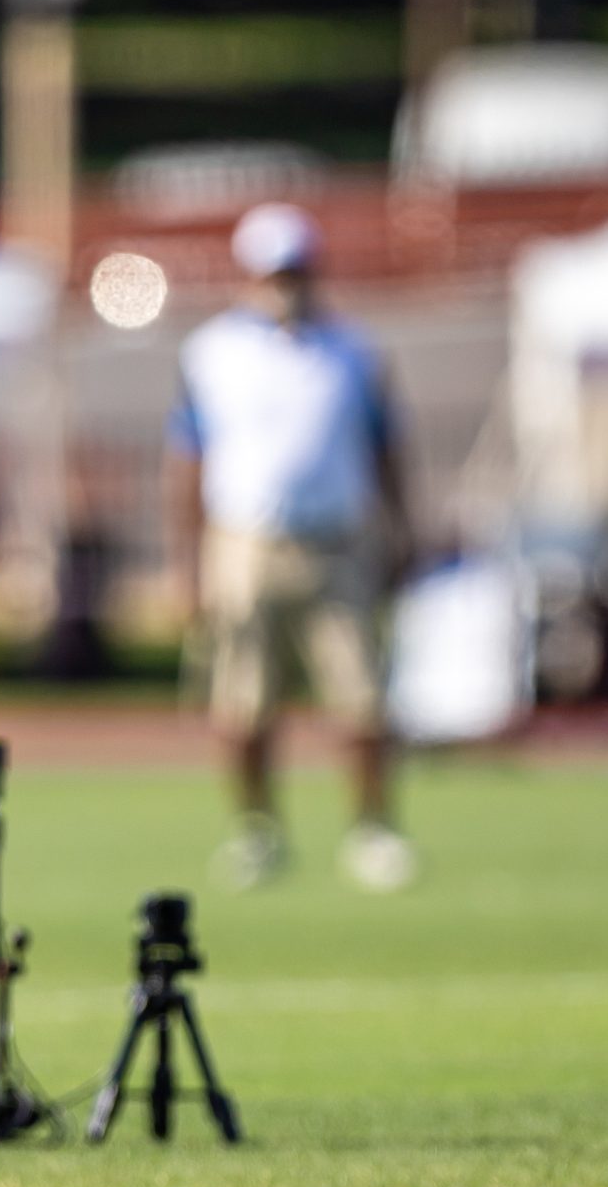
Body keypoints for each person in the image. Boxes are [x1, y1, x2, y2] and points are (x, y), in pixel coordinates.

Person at [164, 202, 418, 891]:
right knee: (242, 704)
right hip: (245, 540)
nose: (286, 282)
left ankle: (374, 828)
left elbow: (386, 446)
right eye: (275, 271)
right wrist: (186, 560)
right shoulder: (212, 350)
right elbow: (187, 459)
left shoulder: (354, 350)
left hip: (337, 539)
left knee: (362, 699)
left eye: (296, 269)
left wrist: (402, 528)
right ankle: (257, 829)